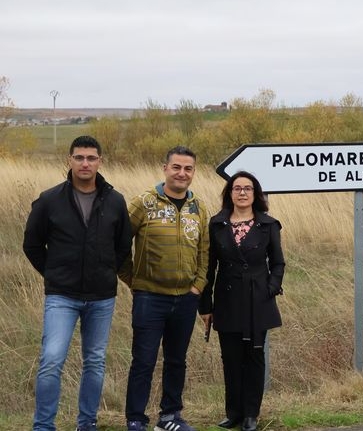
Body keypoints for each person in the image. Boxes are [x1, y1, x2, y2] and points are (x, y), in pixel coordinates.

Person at [23, 135, 132, 431]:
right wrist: (54, 274)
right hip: (62, 296)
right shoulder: (50, 200)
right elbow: (32, 245)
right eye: (79, 157)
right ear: (69, 160)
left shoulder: (115, 201)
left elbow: (123, 246)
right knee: (51, 360)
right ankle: (43, 426)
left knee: (94, 362)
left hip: (101, 297)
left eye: (91, 158)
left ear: (100, 161)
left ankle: (87, 424)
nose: (85, 163)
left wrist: (107, 271)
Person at [119, 146, 210, 431]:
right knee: (143, 360)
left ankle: (169, 417)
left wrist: (198, 286)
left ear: (193, 172)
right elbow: (118, 242)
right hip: (149, 298)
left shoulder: (199, 206)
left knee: (176, 360)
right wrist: (133, 280)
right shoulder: (144, 202)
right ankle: (136, 419)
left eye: (188, 168)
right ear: (165, 169)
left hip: (186, 298)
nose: (182, 173)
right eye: (176, 167)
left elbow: (205, 250)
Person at [199, 171, 285, 431]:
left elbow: (278, 262)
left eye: (248, 188)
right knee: (231, 358)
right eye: (237, 188)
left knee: (255, 357)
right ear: (230, 193)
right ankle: (233, 413)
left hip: (258, 300)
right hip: (227, 300)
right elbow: (208, 267)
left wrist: (270, 289)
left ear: (255, 193)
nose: (243, 193)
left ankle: (251, 415)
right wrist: (206, 305)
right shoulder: (217, 224)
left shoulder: (268, 225)